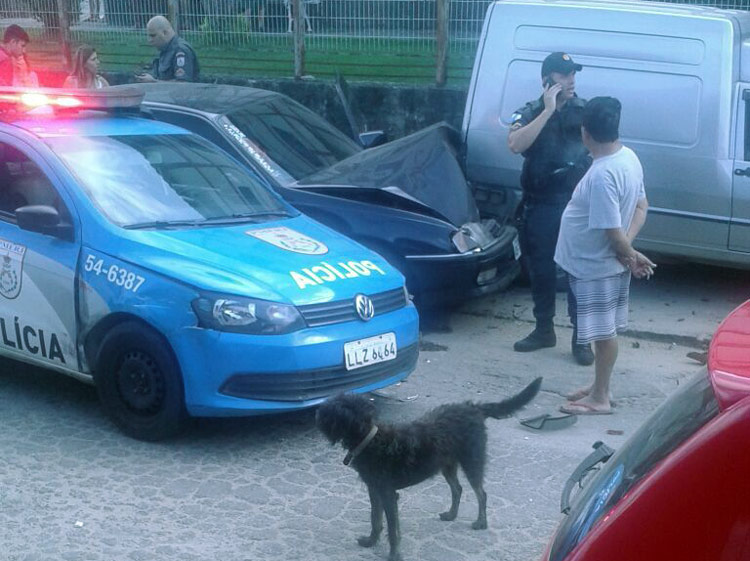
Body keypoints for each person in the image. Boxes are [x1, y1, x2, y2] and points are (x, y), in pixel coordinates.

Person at [554, 96, 655, 415]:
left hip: (595, 267)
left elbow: (612, 233)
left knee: (603, 333)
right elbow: (642, 206)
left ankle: (601, 398)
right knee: (602, 331)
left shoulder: (602, 175)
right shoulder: (629, 157)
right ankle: (600, 385)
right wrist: (629, 250)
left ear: (585, 133)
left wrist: (629, 252)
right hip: (604, 263)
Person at [508, 52, 593, 365]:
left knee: (577, 273)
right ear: (547, 80)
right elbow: (516, 144)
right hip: (542, 205)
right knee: (541, 270)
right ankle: (544, 330)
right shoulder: (531, 111)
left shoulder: (586, 111)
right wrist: (547, 111)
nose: (571, 80)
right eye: (564, 75)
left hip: (574, 204)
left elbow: (604, 150)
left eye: (573, 75)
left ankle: (581, 338)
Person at [136, 15, 199, 83]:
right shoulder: (164, 50)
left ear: (165, 33)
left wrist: (154, 82)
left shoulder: (180, 50)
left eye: (153, 36)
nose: (149, 40)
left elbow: (183, 84)